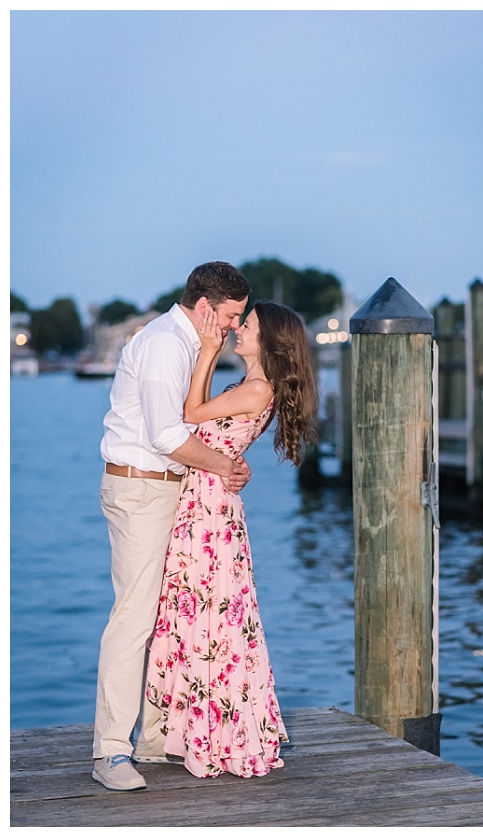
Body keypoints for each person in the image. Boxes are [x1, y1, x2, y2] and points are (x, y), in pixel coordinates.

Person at [93, 262, 253, 791]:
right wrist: (221, 465)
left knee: (169, 614)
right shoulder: (164, 343)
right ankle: (110, 754)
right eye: (231, 316)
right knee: (135, 617)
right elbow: (165, 434)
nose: (234, 327)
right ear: (207, 306)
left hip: (169, 488)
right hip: (142, 488)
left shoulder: (187, 344)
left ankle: (157, 740)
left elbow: (195, 419)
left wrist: (224, 461)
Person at [142, 300, 317, 778]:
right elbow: (213, 432)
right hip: (211, 497)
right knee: (206, 609)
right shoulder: (253, 386)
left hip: (209, 507)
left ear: (269, 341)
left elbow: (188, 413)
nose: (239, 328)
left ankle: (214, 730)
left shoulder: (258, 387)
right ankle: (201, 725)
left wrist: (206, 351)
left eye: (250, 325)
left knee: (211, 611)